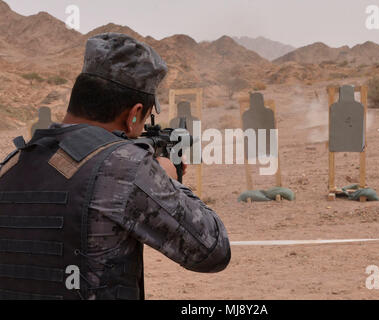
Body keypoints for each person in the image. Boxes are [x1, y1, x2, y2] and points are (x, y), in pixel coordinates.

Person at [0, 33, 231, 300]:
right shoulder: (124, 169)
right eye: (144, 118)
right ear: (134, 114)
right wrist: (169, 179)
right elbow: (213, 250)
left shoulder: (12, 162)